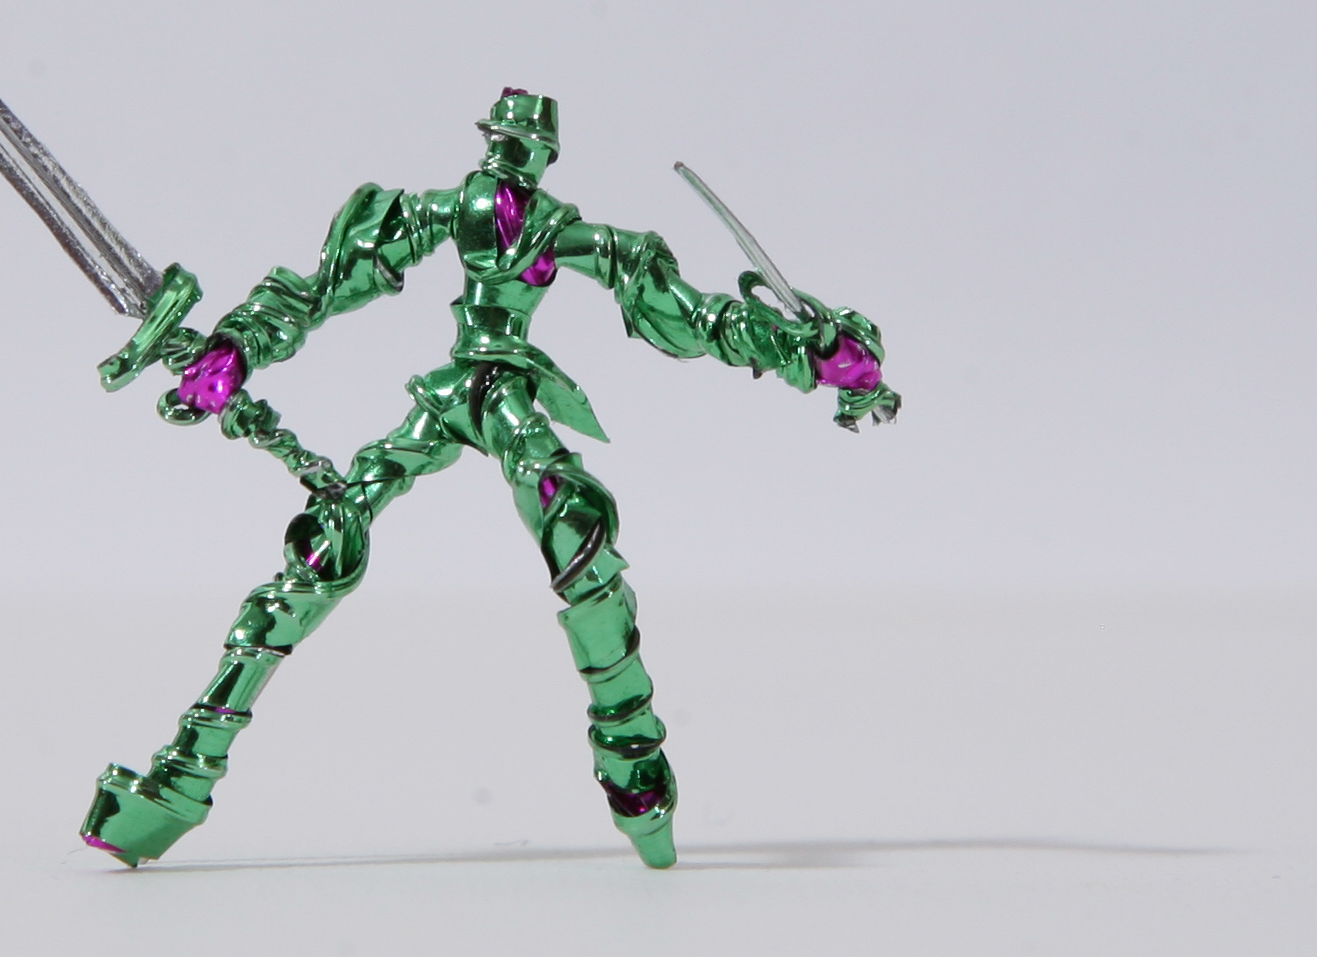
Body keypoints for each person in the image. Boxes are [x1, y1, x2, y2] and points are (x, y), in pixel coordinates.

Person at [83, 89, 895, 870]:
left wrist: (807, 353)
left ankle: (634, 767)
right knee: (326, 548)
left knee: (578, 533)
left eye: (524, 149)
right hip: (449, 395)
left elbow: (691, 315)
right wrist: (235, 351)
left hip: (505, 395)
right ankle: (179, 780)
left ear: (544, 159)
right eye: (501, 144)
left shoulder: (569, 234)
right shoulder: (439, 211)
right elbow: (318, 288)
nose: (508, 160)